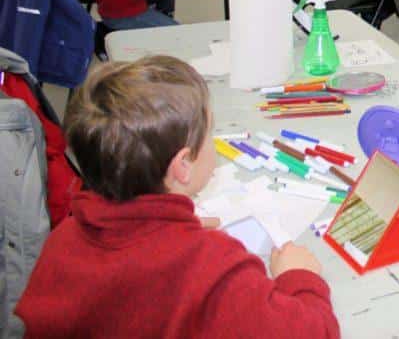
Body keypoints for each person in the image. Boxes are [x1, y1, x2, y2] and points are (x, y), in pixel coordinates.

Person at [14, 56, 339, 338]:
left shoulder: (63, 240)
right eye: (210, 134)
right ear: (183, 165)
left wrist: (175, 233)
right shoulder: (211, 265)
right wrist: (300, 277)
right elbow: (313, 332)